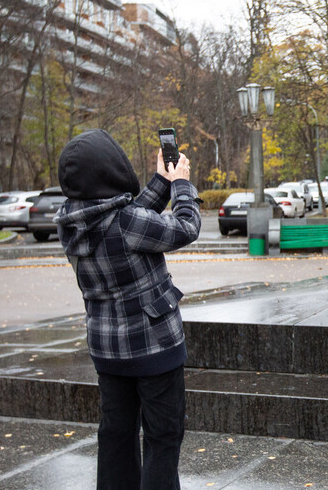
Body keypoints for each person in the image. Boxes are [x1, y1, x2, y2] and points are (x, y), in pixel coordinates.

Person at [54, 129, 201, 490]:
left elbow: (127, 220)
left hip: (108, 350)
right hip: (155, 349)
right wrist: (181, 185)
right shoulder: (127, 224)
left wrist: (160, 182)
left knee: (116, 436)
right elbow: (186, 227)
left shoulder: (71, 223)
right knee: (162, 437)